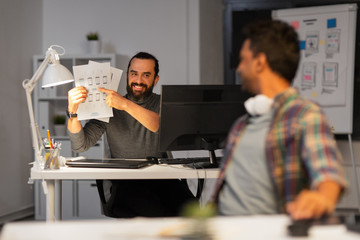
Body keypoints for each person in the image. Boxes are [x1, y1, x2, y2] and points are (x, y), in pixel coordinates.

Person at [211, 20, 347, 220]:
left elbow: (327, 172)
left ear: (259, 62)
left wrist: (322, 198)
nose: (239, 69)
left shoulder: (305, 115)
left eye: (243, 60)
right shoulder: (241, 124)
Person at [67, 52, 195, 218]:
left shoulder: (163, 103)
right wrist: (73, 113)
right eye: (134, 73)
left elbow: (160, 125)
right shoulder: (109, 106)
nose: (139, 81)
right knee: (155, 212)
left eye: (146, 75)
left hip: (162, 179)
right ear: (127, 76)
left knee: (193, 210)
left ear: (155, 80)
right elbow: (80, 145)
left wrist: (125, 104)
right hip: (125, 183)